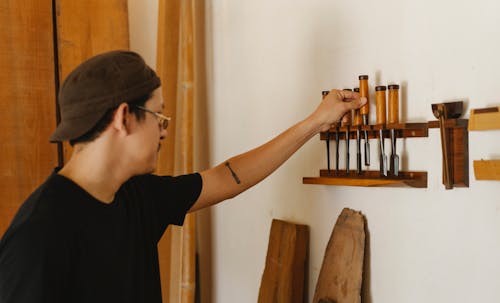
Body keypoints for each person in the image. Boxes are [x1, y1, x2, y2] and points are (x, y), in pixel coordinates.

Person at [0, 50, 365, 302]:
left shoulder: (134, 194)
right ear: (123, 118)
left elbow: (227, 179)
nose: (163, 130)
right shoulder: (39, 235)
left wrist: (314, 123)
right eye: (159, 116)